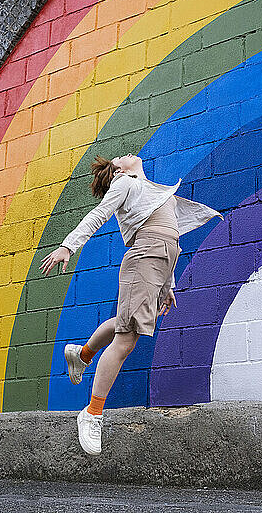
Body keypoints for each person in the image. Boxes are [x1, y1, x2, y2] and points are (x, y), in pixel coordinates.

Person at [39, 153, 224, 456]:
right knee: (127, 339)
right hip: (143, 259)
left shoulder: (153, 190)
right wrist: (67, 246)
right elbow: (99, 214)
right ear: (117, 171)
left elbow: (170, 240)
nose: (125, 155)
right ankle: (93, 412)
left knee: (126, 323)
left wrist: (168, 285)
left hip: (159, 262)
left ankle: (82, 354)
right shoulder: (125, 183)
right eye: (118, 159)